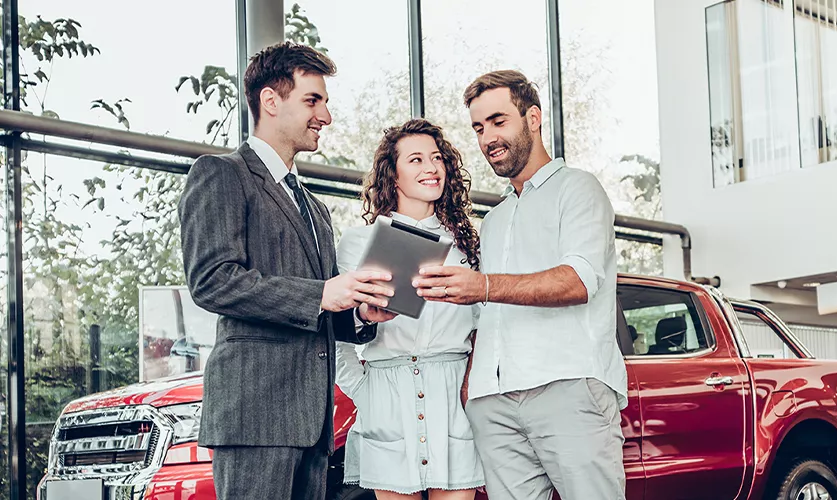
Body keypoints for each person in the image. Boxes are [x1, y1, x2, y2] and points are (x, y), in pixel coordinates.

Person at [179, 41, 397, 500]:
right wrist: (320, 294)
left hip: (312, 422)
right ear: (271, 101)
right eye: (312, 101)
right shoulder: (221, 174)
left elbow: (324, 306)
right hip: (255, 417)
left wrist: (359, 316)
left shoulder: (314, 207)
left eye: (325, 103)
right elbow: (212, 280)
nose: (326, 116)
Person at [412, 69, 628, 500]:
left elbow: (577, 282)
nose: (488, 137)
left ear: (533, 118)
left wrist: (484, 286)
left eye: (498, 120)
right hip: (493, 403)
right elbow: (480, 313)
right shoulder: (493, 220)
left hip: (569, 387)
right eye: (478, 127)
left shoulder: (579, 189)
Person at [334, 119, 486, 499]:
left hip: (453, 397)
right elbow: (337, 335)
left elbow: (486, 329)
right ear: (393, 175)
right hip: (386, 394)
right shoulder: (357, 244)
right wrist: (365, 391)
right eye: (416, 159)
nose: (431, 168)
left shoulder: (467, 247)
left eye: (437, 158)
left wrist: (470, 386)